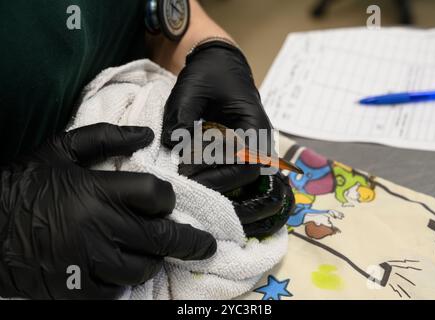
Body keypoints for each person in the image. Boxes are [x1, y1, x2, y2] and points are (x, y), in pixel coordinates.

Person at [0, 0, 293, 299]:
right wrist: (10, 225)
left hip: (154, 112)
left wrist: (208, 45)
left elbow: (159, 15)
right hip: (53, 260)